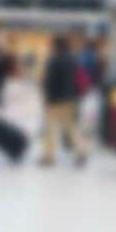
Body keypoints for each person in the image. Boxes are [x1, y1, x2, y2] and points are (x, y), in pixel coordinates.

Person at [39, 36, 86, 168]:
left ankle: (49, 156)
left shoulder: (54, 60)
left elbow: (50, 81)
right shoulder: (74, 60)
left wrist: (47, 97)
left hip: (55, 100)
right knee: (71, 127)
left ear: (56, 46)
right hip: (70, 99)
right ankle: (81, 151)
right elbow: (78, 79)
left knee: (50, 129)